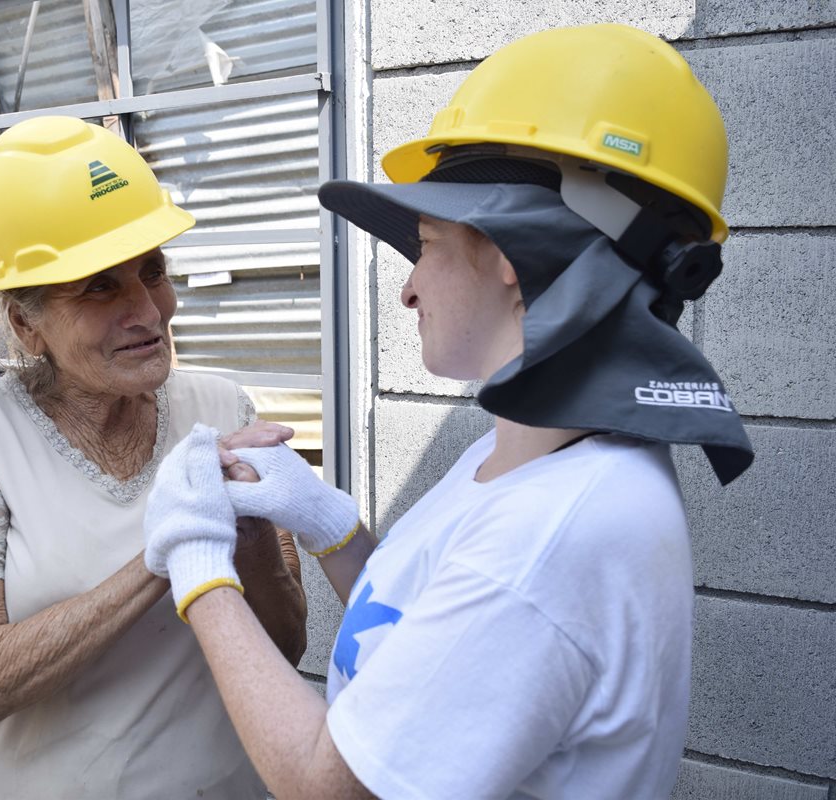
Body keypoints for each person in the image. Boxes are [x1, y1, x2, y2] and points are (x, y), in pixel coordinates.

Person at [142, 23, 755, 799]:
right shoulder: (530, 458)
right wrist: (326, 522)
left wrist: (197, 561)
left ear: (508, 250)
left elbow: (328, 784)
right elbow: (428, 634)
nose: (407, 287)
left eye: (426, 240)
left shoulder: (553, 533)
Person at [0, 115, 307, 799]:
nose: (148, 311)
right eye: (99, 285)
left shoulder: (222, 412)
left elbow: (287, 645)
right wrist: (167, 550)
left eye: (152, 271)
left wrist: (248, 535)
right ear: (25, 323)